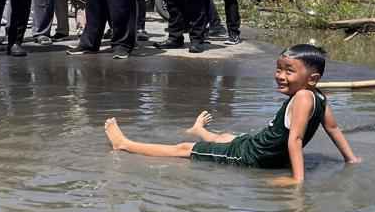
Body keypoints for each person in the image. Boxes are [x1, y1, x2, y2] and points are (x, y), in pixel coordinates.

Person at [103, 44, 360, 184]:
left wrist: (297, 180)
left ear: (311, 78)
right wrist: (351, 159)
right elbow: (333, 129)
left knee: (183, 149)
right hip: (257, 145)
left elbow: (295, 140)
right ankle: (201, 131)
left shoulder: (303, 97)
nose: (280, 75)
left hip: (252, 157)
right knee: (227, 137)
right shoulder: (319, 96)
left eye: (289, 71)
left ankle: (124, 144)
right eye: (279, 68)